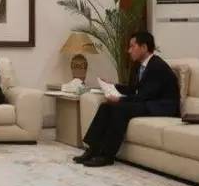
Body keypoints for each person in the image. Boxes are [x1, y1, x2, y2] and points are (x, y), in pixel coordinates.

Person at [74, 31, 180, 167]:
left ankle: (107, 156)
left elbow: (144, 96)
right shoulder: (138, 66)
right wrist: (112, 86)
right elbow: (133, 89)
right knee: (106, 106)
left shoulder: (157, 67)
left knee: (120, 109)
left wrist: (120, 100)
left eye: (132, 46)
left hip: (161, 106)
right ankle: (92, 149)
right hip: (147, 102)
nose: (129, 51)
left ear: (144, 47)